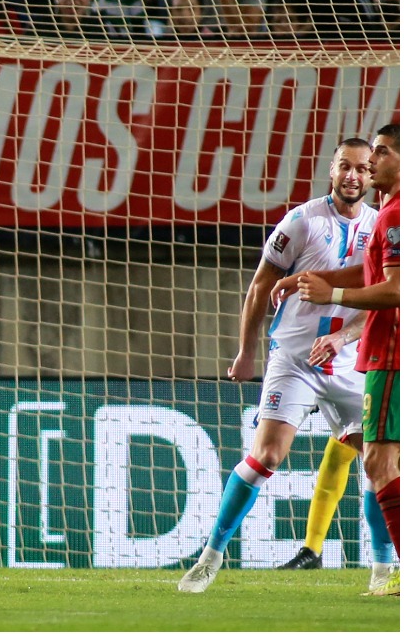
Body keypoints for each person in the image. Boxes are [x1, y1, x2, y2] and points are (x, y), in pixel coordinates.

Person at [177, 137, 381, 593]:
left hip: (350, 362)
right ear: (331, 170)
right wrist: (246, 350)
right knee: (268, 455)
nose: (352, 176)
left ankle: (383, 571)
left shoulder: (380, 225)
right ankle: (211, 556)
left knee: (379, 464)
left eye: (362, 169)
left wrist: (343, 336)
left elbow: (380, 298)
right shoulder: (302, 221)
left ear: (371, 176)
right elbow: (259, 287)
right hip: (294, 359)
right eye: (344, 166)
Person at [291, 123, 400, 596]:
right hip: (379, 355)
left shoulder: (393, 216)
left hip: (389, 355)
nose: (372, 161)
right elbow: (373, 270)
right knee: (376, 460)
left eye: (380, 153)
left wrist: (332, 292)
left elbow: (395, 289)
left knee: (377, 463)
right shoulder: (389, 215)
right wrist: (318, 276)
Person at [276, 313, 396, 589]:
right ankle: (314, 550)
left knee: (380, 464)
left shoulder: (386, 281)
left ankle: (382, 563)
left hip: (380, 368)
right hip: (364, 367)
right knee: (351, 456)